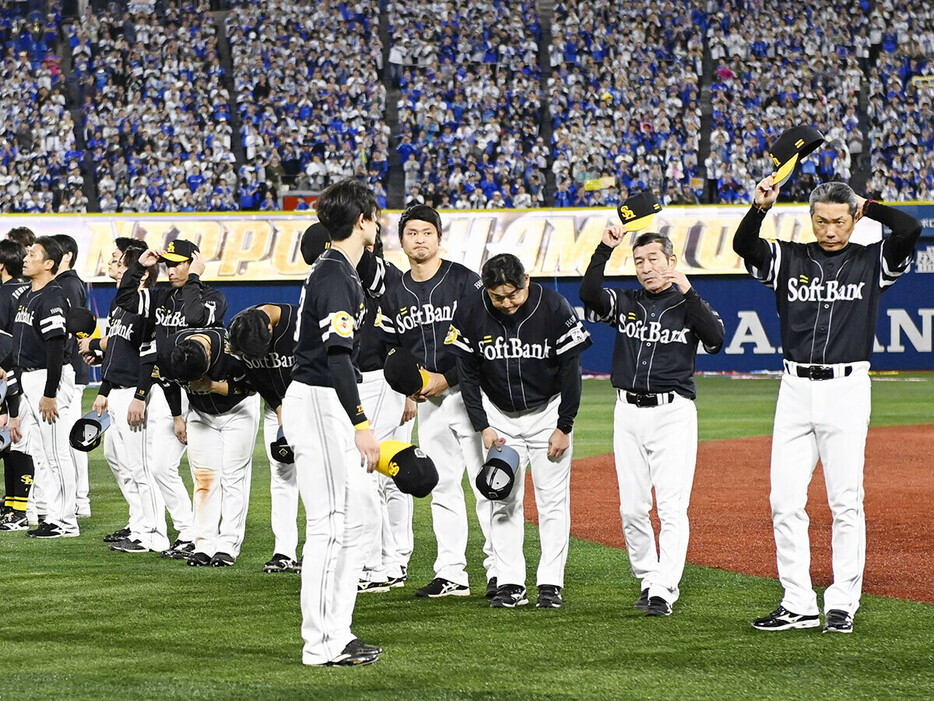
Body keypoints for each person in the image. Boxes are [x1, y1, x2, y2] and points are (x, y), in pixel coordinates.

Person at [734, 177, 922, 634]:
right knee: (784, 500)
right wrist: (759, 207)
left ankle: (842, 603)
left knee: (845, 502)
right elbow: (744, 244)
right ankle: (797, 601)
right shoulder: (789, 257)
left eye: (840, 220)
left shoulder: (870, 260)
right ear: (811, 219)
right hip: (794, 388)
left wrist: (866, 206)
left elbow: (910, 228)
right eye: (822, 221)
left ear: (852, 219)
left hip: (846, 388)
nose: (831, 229)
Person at [580, 228, 724, 617]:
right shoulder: (627, 301)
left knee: (672, 508)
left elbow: (715, 339)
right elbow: (589, 294)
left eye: (654, 259)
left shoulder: (690, 304)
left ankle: (664, 587)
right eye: (639, 261)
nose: (646, 268)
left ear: (672, 261)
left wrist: (689, 292)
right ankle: (648, 577)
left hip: (672, 412)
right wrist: (605, 247)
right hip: (627, 411)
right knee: (632, 509)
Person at [448, 253, 591, 609]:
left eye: (513, 294)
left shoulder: (554, 306)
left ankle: (550, 583)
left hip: (547, 414)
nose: (507, 303)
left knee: (552, 502)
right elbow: (466, 375)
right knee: (501, 499)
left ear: (526, 280)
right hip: (499, 417)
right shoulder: (470, 310)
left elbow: (572, 370)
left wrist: (564, 425)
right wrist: (482, 426)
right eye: (498, 297)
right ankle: (511, 581)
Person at [281, 178, 382, 667]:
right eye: (375, 217)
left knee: (355, 519)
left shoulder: (339, 270)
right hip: (322, 399)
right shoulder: (335, 275)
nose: (378, 224)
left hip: (324, 399)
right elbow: (338, 358)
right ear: (361, 221)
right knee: (329, 523)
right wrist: (361, 422)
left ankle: (337, 631)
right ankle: (321, 644)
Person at [377, 204, 492, 599]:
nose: (419, 239)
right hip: (429, 404)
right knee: (441, 485)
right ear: (401, 240)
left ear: (439, 238)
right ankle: (452, 574)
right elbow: (391, 351)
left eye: (427, 232)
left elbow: (486, 339)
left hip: (470, 393)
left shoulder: (465, 281)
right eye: (412, 233)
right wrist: (407, 387)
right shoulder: (394, 293)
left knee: (485, 485)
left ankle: (500, 571)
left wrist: (449, 377)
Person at [113, 239, 227, 559]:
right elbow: (124, 297)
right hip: (171, 392)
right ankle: (189, 531)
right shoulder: (161, 296)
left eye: (178, 263)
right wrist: (140, 267)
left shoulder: (213, 297)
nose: (171, 269)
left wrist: (194, 279)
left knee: (203, 470)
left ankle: (208, 536)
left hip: (204, 393)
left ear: (194, 263)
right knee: (161, 466)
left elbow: (193, 315)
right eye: (168, 264)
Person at [80, 240, 169, 553]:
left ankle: (154, 535)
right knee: (119, 461)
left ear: (139, 273)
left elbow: (149, 354)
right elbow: (116, 352)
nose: (113, 266)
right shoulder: (120, 306)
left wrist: (140, 395)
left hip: (134, 390)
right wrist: (104, 391)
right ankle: (139, 523)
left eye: (119, 262)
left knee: (141, 467)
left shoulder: (146, 307)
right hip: (116, 390)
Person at [155, 328, 260, 567]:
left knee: (233, 478)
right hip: (200, 414)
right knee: (204, 479)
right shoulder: (169, 350)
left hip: (238, 411)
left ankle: (228, 546)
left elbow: (252, 388)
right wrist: (177, 417)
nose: (191, 383)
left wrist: (212, 386)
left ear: (210, 353)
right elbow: (168, 384)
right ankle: (203, 545)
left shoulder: (234, 349)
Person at [0, 237, 78, 538]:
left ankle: (66, 521)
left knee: (57, 453)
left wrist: (49, 393)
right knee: (41, 453)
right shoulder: (29, 295)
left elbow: (56, 347)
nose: (26, 257)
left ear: (49, 264)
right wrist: (5, 365)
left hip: (49, 377)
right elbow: (21, 344)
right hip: (30, 376)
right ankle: (53, 514)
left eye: (33, 254)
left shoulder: (52, 297)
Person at [227, 303, 303, 574]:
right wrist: (281, 410)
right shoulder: (239, 330)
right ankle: (284, 551)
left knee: (319, 477)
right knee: (282, 476)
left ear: (270, 328)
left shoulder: (301, 322)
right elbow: (256, 377)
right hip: (276, 408)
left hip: (313, 407)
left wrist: (293, 410)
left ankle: (322, 548)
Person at [52, 234, 92, 518]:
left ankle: (80, 499)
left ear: (66, 256)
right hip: (70, 369)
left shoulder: (69, 284)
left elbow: (72, 330)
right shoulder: (65, 283)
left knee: (72, 437)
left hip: (71, 370)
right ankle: (76, 497)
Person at [0, 238, 34, 531]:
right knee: (18, 444)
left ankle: (21, 509)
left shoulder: (4, 295)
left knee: (17, 443)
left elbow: (4, 343)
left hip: (12, 374)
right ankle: (14, 505)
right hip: (28, 373)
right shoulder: (30, 291)